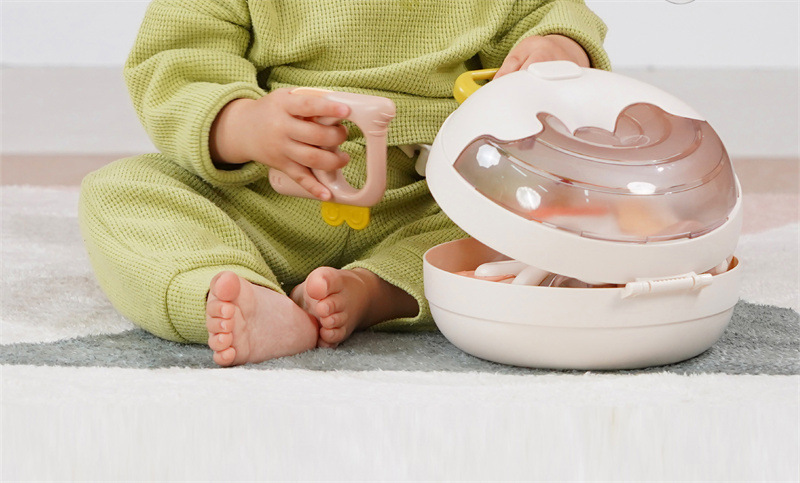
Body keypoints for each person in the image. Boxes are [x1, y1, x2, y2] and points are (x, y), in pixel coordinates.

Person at [79, 0, 611, 366]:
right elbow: (177, 64)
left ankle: (375, 291)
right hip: (265, 201)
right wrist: (243, 124)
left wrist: (558, 48)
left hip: (433, 201)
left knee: (546, 223)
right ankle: (237, 290)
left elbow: (552, 13)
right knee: (121, 191)